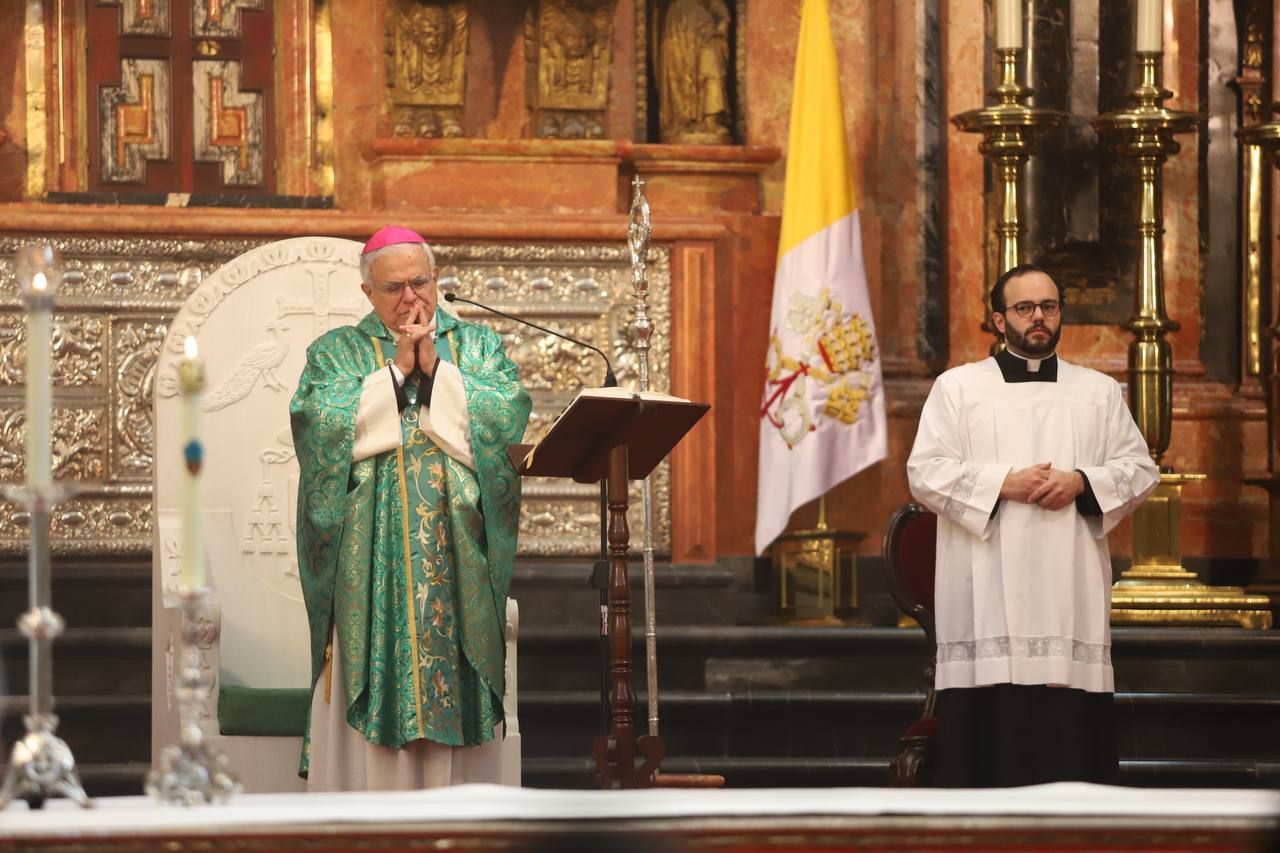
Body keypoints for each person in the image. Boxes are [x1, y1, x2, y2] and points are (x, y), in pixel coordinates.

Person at [290, 226, 531, 790]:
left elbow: (508, 416)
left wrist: (440, 375)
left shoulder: (475, 346)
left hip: (458, 557)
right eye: (393, 288)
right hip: (371, 564)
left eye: (420, 283)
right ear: (368, 292)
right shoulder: (338, 352)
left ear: (437, 279)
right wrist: (397, 374)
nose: (411, 299)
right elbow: (317, 427)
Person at [906, 263, 1159, 787]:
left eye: (1049, 306)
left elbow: (1140, 469)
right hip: (986, 585)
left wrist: (1081, 482)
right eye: (1024, 308)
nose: (1038, 317)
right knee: (991, 732)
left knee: (1067, 734)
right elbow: (924, 472)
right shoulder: (957, 389)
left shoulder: (1098, 392)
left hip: (1069, 586)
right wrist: (1003, 484)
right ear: (999, 320)